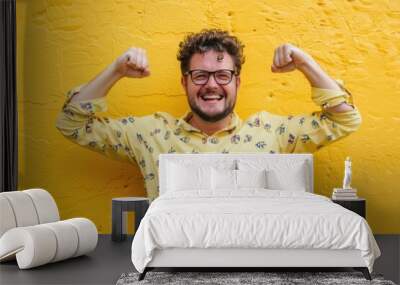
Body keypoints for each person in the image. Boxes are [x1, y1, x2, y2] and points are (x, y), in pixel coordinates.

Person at [56, 29, 361, 200]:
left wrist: (306, 63)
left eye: (222, 75)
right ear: (184, 82)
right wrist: (116, 70)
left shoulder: (273, 131)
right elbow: (71, 124)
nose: (212, 85)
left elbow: (344, 119)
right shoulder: (150, 134)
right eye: (200, 75)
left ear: (237, 82)